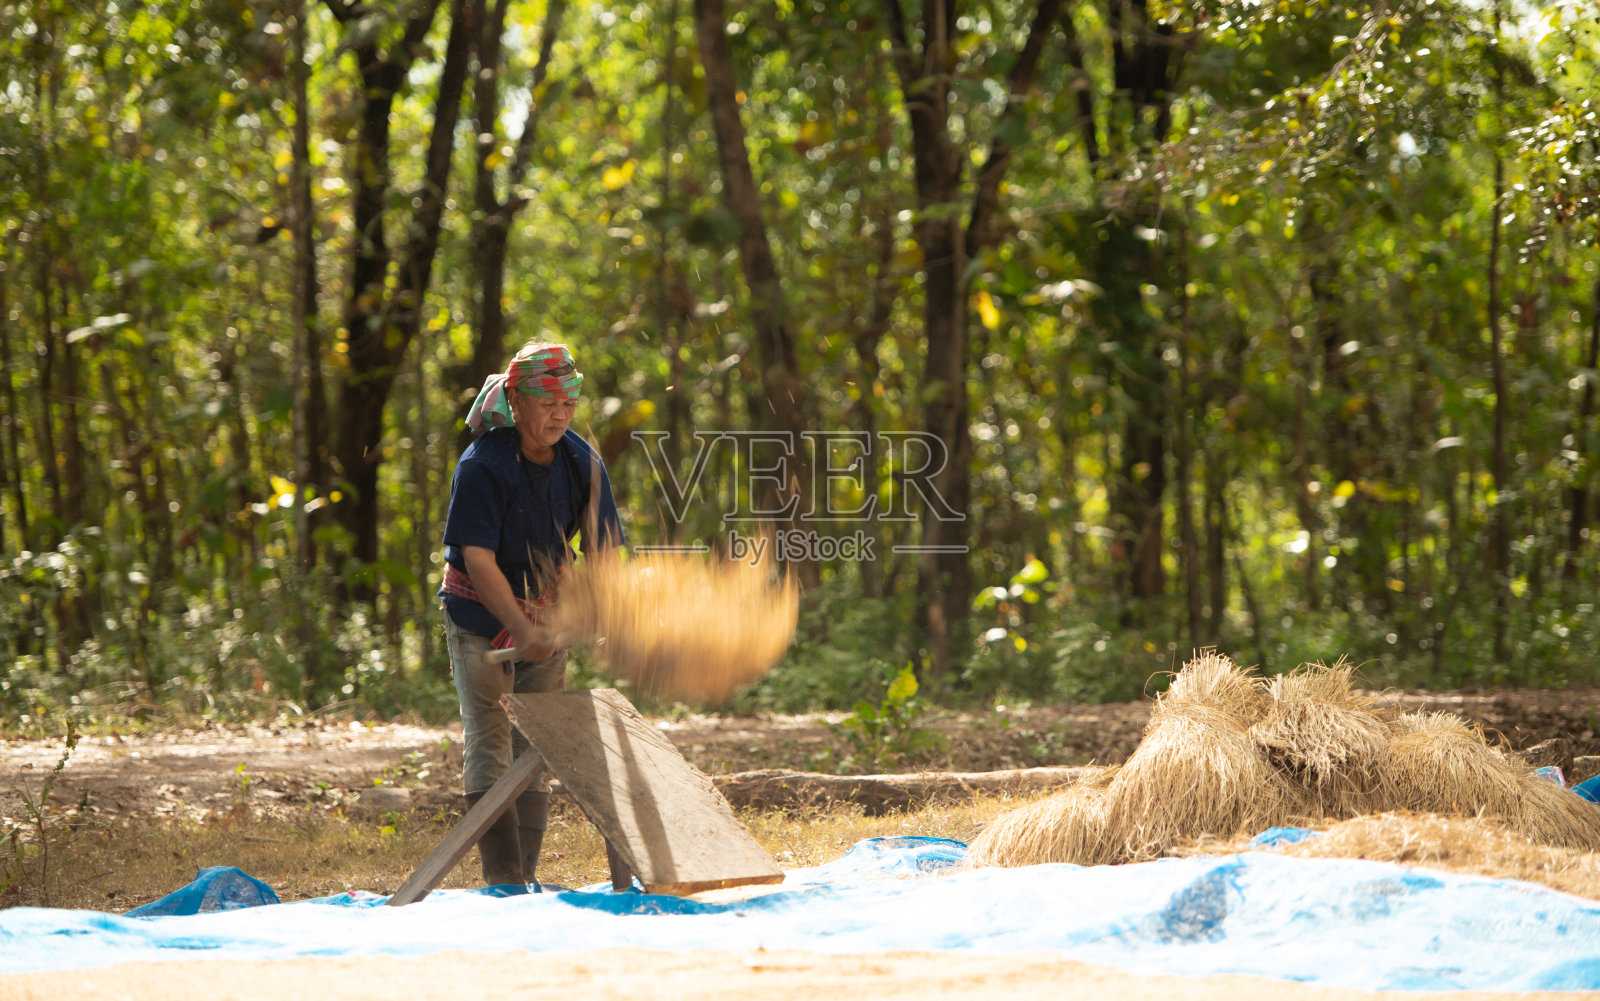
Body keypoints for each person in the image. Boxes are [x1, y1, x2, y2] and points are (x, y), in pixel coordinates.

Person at [438, 340, 624, 888]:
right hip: (478, 615)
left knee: (538, 741)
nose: (560, 414)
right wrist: (519, 629)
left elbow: (605, 550)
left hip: (548, 611)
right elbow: (477, 558)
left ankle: (524, 876)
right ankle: (502, 879)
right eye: (547, 403)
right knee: (490, 736)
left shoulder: (581, 460)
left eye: (568, 404)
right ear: (515, 402)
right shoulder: (482, 466)